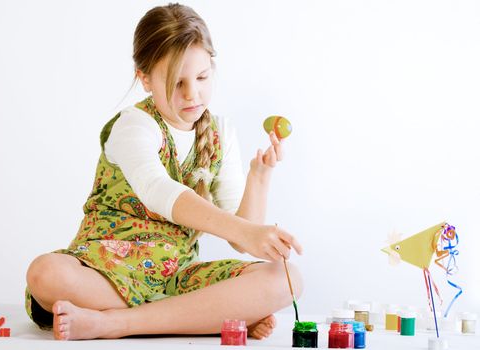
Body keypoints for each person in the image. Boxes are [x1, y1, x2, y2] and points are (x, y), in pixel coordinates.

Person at [25, 2, 303, 341]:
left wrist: (259, 176)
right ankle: (202, 315)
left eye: (201, 78)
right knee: (46, 273)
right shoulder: (134, 126)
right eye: (176, 82)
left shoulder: (220, 133)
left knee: (287, 279)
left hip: (176, 273)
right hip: (107, 268)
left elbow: (239, 236)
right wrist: (246, 240)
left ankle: (113, 323)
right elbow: (159, 191)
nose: (192, 94)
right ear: (144, 78)